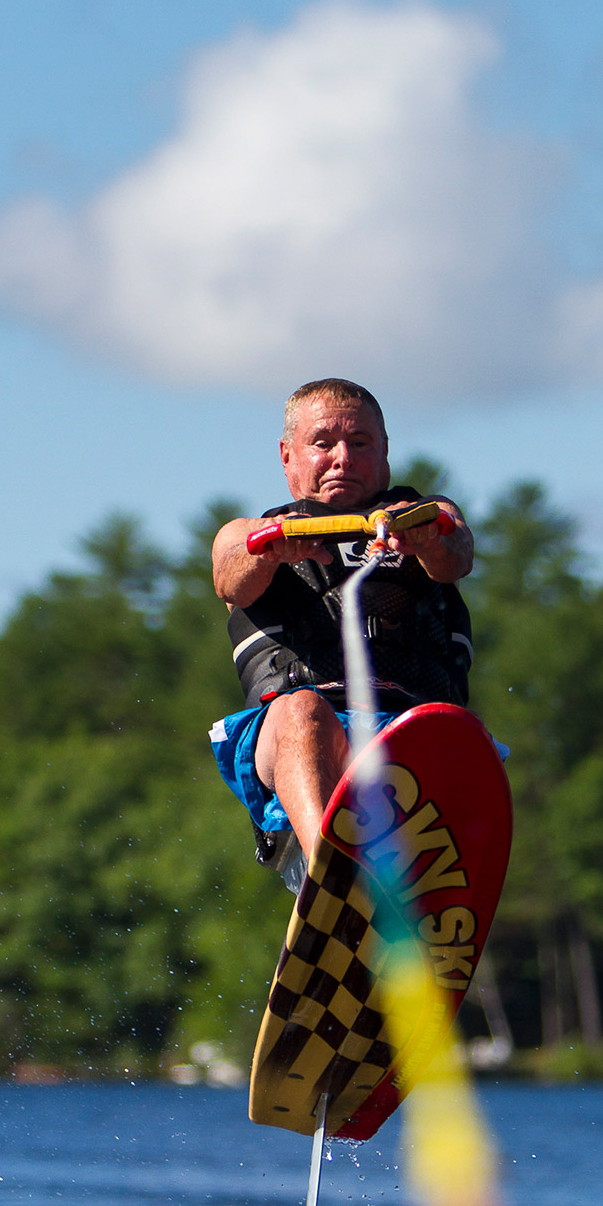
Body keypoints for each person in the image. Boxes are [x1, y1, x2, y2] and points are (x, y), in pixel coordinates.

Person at [209, 378, 476, 881]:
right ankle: (331, 872)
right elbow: (229, 570)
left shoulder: (429, 517)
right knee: (301, 708)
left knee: (437, 727)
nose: (343, 458)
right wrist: (269, 545)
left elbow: (456, 554)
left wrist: (422, 532)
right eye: (323, 443)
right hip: (302, 746)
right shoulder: (245, 536)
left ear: (385, 451)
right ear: (288, 455)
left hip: (412, 735)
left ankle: (422, 884)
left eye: (360, 444)